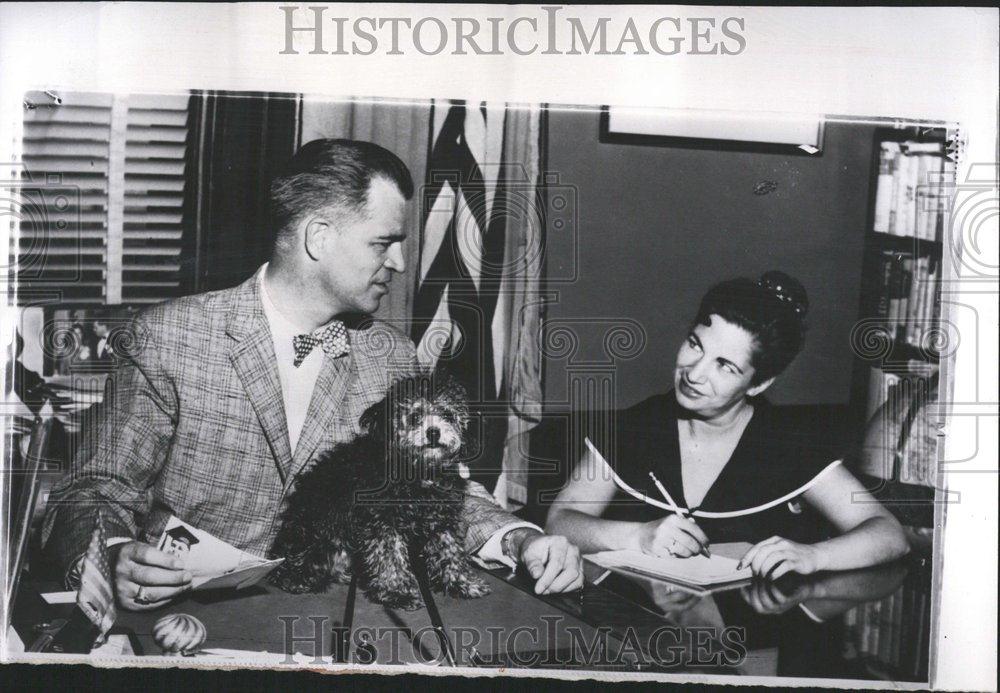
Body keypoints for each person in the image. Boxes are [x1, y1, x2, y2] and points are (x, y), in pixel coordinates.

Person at [42, 139, 582, 610]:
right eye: (384, 242)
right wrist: (115, 555)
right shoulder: (169, 337)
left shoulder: (393, 357)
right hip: (188, 620)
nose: (398, 263)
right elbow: (93, 490)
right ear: (319, 238)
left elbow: (438, 494)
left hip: (339, 621)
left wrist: (519, 540)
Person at [546, 271, 909, 579]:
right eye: (694, 345)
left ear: (759, 384)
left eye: (726, 366)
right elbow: (560, 521)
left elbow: (888, 533)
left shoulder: (785, 441)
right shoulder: (637, 424)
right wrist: (636, 535)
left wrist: (814, 556)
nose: (695, 373)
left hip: (746, 646)